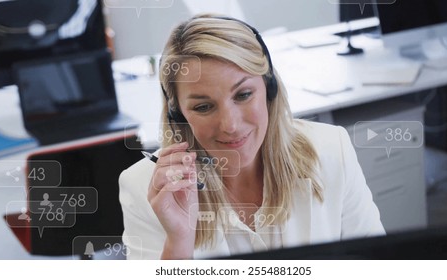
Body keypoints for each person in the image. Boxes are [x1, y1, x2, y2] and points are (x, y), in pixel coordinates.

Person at [118, 14, 385, 260]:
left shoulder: (331, 150)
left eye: (243, 95)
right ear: (178, 115)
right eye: (203, 107)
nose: (230, 125)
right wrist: (179, 241)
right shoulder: (143, 188)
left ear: (269, 88)